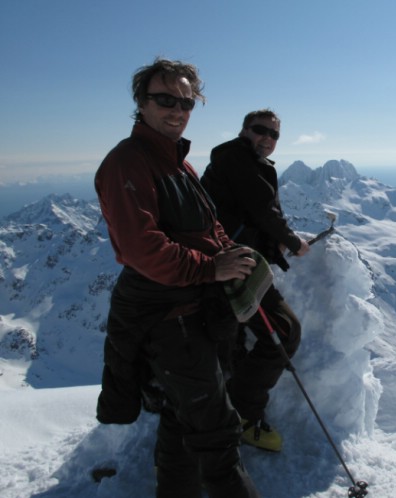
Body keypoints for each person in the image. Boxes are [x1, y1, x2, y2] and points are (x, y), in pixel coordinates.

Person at [95, 58, 260, 498]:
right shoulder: (127, 163)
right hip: (169, 318)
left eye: (186, 101)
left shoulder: (177, 163)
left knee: (180, 418)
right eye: (165, 99)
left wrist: (228, 251)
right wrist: (211, 267)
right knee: (217, 433)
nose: (178, 109)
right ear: (141, 104)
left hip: (193, 313)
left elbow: (208, 225)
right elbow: (140, 248)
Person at [201, 109, 310, 453]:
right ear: (244, 130)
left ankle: (227, 415)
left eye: (274, 134)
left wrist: (273, 245)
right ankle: (243, 416)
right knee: (284, 331)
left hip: (230, 263)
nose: (267, 138)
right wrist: (294, 243)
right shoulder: (237, 158)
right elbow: (263, 209)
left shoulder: (238, 159)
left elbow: (247, 213)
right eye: (260, 130)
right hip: (232, 267)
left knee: (229, 345)